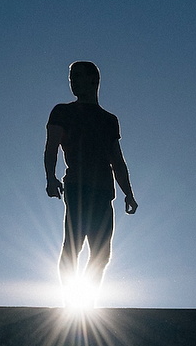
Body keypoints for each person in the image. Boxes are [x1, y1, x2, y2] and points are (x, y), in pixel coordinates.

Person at [44, 61, 137, 301]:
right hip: (76, 186)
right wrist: (51, 177)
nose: (72, 81)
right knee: (72, 246)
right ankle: (69, 303)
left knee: (102, 254)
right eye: (70, 76)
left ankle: (85, 304)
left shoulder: (109, 120)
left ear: (93, 80)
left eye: (77, 76)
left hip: (104, 191)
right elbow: (51, 147)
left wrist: (128, 193)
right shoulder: (62, 111)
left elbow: (117, 160)